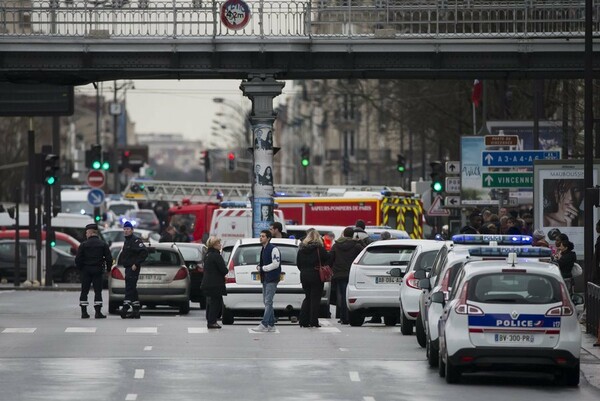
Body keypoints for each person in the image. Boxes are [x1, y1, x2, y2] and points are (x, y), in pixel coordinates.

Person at [75, 223, 113, 319]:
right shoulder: (103, 244)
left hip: (86, 270)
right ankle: (98, 312)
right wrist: (108, 270)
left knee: (84, 291)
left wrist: (81, 269)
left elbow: (78, 259)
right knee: (98, 291)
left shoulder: (83, 245)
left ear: (91, 233)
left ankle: (84, 312)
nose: (86, 235)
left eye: (87, 233)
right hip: (98, 270)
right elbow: (109, 259)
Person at [329, 226, 364, 325]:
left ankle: (343, 317)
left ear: (343, 234)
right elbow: (364, 253)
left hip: (339, 274)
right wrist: (360, 241)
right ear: (353, 235)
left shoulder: (336, 245)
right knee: (350, 296)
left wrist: (331, 269)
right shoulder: (356, 245)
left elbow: (331, 258)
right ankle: (349, 316)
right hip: (352, 274)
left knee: (342, 296)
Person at [296, 229, 328, 328]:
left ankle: (303, 321)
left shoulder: (301, 249)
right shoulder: (319, 249)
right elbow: (327, 258)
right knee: (315, 299)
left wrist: (304, 270)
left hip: (304, 275)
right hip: (316, 275)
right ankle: (313, 321)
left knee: (307, 297)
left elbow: (298, 263)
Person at [251, 229, 281, 333]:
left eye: (263, 236)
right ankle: (271, 325)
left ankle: (264, 323)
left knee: (268, 301)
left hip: (272, 278)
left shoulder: (273, 249)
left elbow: (276, 263)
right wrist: (260, 267)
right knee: (267, 301)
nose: (261, 238)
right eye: (260, 236)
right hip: (265, 278)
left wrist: (263, 268)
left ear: (268, 238)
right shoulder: (263, 249)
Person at [118, 221, 149, 319]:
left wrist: (136, 263)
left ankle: (125, 308)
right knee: (133, 289)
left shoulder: (135, 240)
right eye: (125, 229)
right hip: (128, 267)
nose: (126, 231)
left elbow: (144, 252)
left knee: (129, 288)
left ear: (132, 230)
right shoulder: (127, 240)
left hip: (133, 268)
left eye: (128, 229)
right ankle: (136, 310)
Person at [201, 236, 229, 329]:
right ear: (214, 245)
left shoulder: (208, 255)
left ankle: (210, 320)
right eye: (218, 243)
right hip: (215, 283)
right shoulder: (216, 256)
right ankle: (212, 322)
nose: (220, 245)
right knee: (215, 303)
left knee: (211, 302)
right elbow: (224, 270)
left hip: (207, 282)